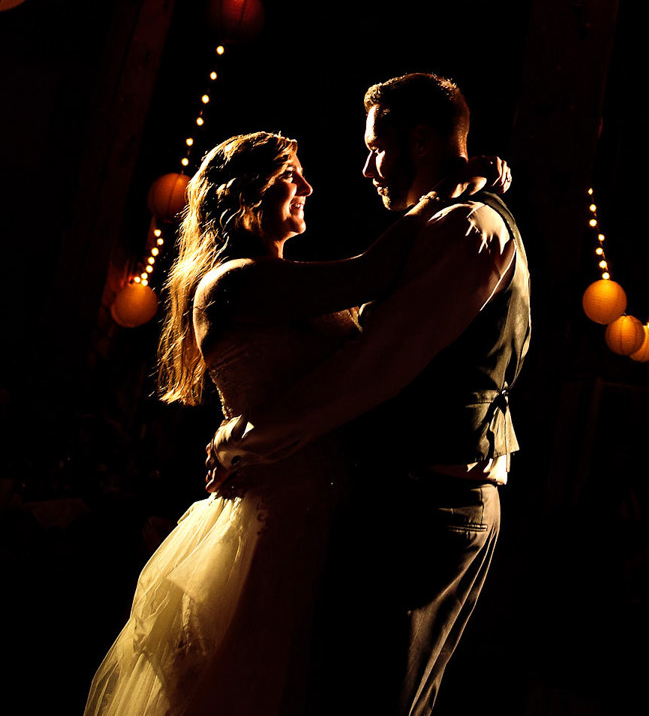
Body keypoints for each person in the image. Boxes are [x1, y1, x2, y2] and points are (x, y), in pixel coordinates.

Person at [83, 128, 446, 716]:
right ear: (245, 195)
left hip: (317, 502)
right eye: (287, 176)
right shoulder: (238, 281)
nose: (306, 186)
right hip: (281, 515)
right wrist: (447, 194)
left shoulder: (281, 279)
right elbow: (371, 273)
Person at [209, 73, 531, 716]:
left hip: (428, 501)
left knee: (375, 695)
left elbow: (376, 365)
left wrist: (248, 439)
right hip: (385, 496)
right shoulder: (443, 220)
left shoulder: (464, 225)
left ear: (418, 142)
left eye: (376, 147)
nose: (364, 169)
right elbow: (366, 299)